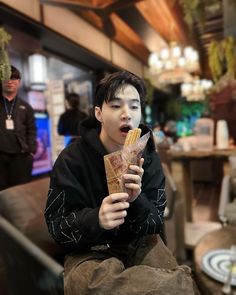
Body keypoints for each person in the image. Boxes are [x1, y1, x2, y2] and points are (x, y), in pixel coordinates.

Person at [45, 71, 199, 294]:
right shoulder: (71, 160)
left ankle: (174, 284)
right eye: (116, 106)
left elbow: (156, 222)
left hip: (138, 243)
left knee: (163, 271)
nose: (127, 114)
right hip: (89, 251)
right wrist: (96, 218)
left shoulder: (149, 158)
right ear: (98, 113)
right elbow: (57, 226)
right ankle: (182, 282)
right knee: (88, 283)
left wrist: (137, 201)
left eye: (134, 106)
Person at [0, 65, 37, 191]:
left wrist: (31, 151)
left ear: (19, 82)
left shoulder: (26, 107)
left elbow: (32, 129)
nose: (10, 81)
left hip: (21, 156)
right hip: (1, 155)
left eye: (14, 78)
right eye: (6, 78)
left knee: (20, 192)